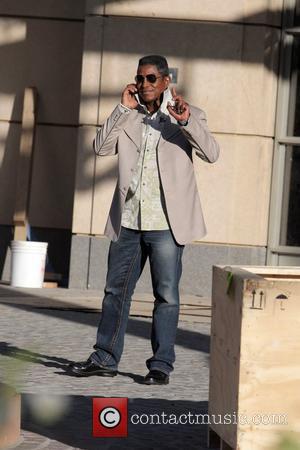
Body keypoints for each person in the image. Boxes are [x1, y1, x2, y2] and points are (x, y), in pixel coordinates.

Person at [69, 55, 220, 385]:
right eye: (140, 79)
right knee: (114, 292)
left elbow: (211, 152)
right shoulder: (130, 116)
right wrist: (121, 109)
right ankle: (105, 357)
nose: (144, 84)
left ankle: (160, 365)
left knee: (166, 295)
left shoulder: (184, 113)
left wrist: (185, 121)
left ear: (166, 81)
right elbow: (100, 147)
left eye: (151, 78)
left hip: (166, 223)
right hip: (129, 219)